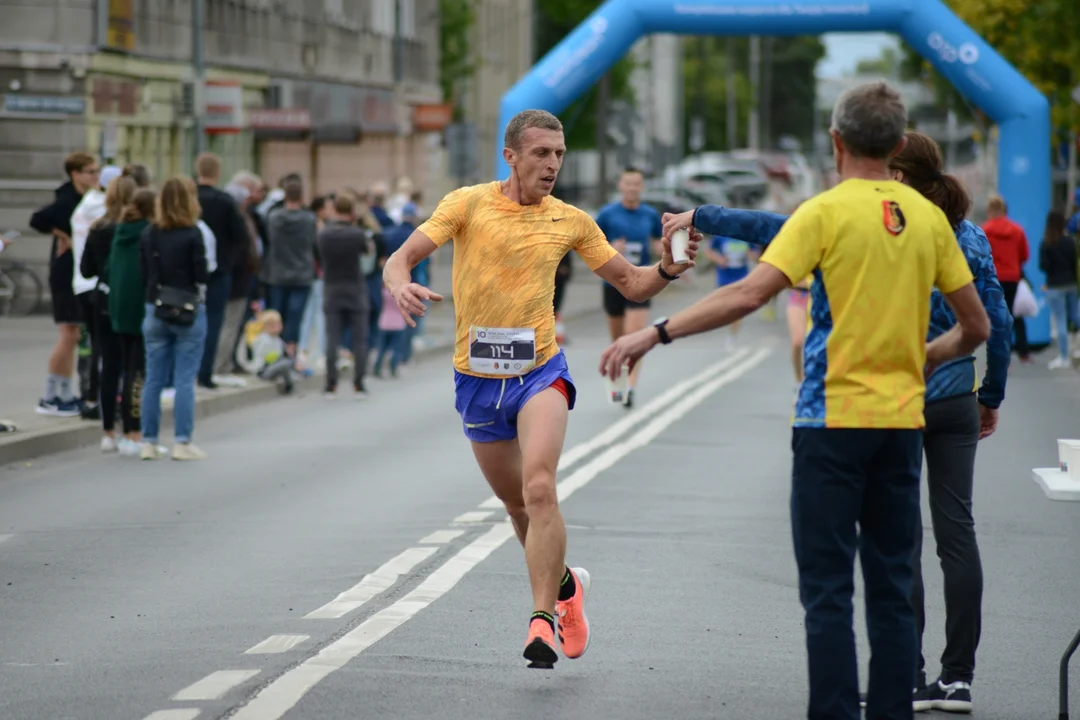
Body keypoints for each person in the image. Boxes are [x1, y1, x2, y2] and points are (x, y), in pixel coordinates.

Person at [602, 82, 991, 720]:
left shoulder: (823, 214)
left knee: (829, 592)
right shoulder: (929, 219)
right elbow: (976, 326)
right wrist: (925, 357)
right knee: (893, 588)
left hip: (830, 422)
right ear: (896, 145)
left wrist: (656, 331)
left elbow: (748, 295)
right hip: (900, 423)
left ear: (836, 143)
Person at [382, 108, 700, 669]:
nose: (552, 164)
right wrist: (401, 285)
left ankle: (542, 621)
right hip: (476, 379)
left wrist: (669, 269)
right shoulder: (467, 204)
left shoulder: (571, 220)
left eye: (558, 154)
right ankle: (566, 589)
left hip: (540, 372)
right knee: (515, 506)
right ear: (511, 156)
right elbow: (399, 258)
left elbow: (632, 283)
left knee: (540, 489)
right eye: (541, 154)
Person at [139, 177, 210, 461]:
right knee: (183, 378)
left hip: (154, 306)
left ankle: (148, 440)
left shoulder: (150, 233)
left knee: (153, 379)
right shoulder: (193, 233)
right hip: (187, 308)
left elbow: (143, 271)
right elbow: (202, 274)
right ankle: (182, 441)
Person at [29, 152, 99, 417]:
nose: (95, 176)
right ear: (76, 174)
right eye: (90, 172)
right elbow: (37, 219)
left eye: (96, 171)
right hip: (64, 274)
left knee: (73, 334)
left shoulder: (85, 199)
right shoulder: (68, 199)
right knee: (68, 334)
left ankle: (65, 393)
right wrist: (63, 235)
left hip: (76, 274)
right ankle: (50, 396)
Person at [595, 167, 663, 408]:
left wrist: (661, 252)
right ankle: (619, 383)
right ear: (620, 186)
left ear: (641, 187)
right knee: (618, 340)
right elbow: (592, 244)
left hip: (641, 281)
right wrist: (612, 248)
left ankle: (630, 388)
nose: (632, 188)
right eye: (628, 183)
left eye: (637, 184)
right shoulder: (607, 214)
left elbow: (657, 241)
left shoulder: (650, 215)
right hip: (613, 282)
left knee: (634, 337)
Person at [78, 171, 137, 451]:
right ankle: (131, 429)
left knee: (108, 365)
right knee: (132, 366)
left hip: (102, 299)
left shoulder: (98, 227)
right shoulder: (137, 229)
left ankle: (107, 431)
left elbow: (86, 269)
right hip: (130, 302)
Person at [108, 187, 157, 457]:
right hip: (138, 306)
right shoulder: (147, 233)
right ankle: (134, 431)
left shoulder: (121, 230)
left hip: (118, 306)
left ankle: (125, 429)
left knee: (127, 369)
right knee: (138, 373)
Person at [317, 193, 370, 397]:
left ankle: (331, 384)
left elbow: (318, 256)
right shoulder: (357, 234)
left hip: (332, 288)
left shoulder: (324, 234)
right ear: (351, 211)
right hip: (355, 289)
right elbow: (367, 254)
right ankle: (359, 384)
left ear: (335, 210)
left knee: (332, 338)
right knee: (359, 340)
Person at [982, 196, 1031, 362]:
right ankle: (1023, 351)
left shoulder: (985, 231)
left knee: (996, 318)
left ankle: (1000, 357)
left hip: (993, 278)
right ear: (1005, 211)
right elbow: (1025, 255)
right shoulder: (1017, 230)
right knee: (1013, 314)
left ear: (990, 211)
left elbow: (980, 256)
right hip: (1012, 278)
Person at [1039, 210, 1079, 368]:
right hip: (1071, 284)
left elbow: (1043, 266)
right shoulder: (1070, 241)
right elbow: (1074, 262)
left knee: (1060, 320)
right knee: (1075, 317)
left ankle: (1064, 357)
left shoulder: (1046, 242)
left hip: (1055, 285)